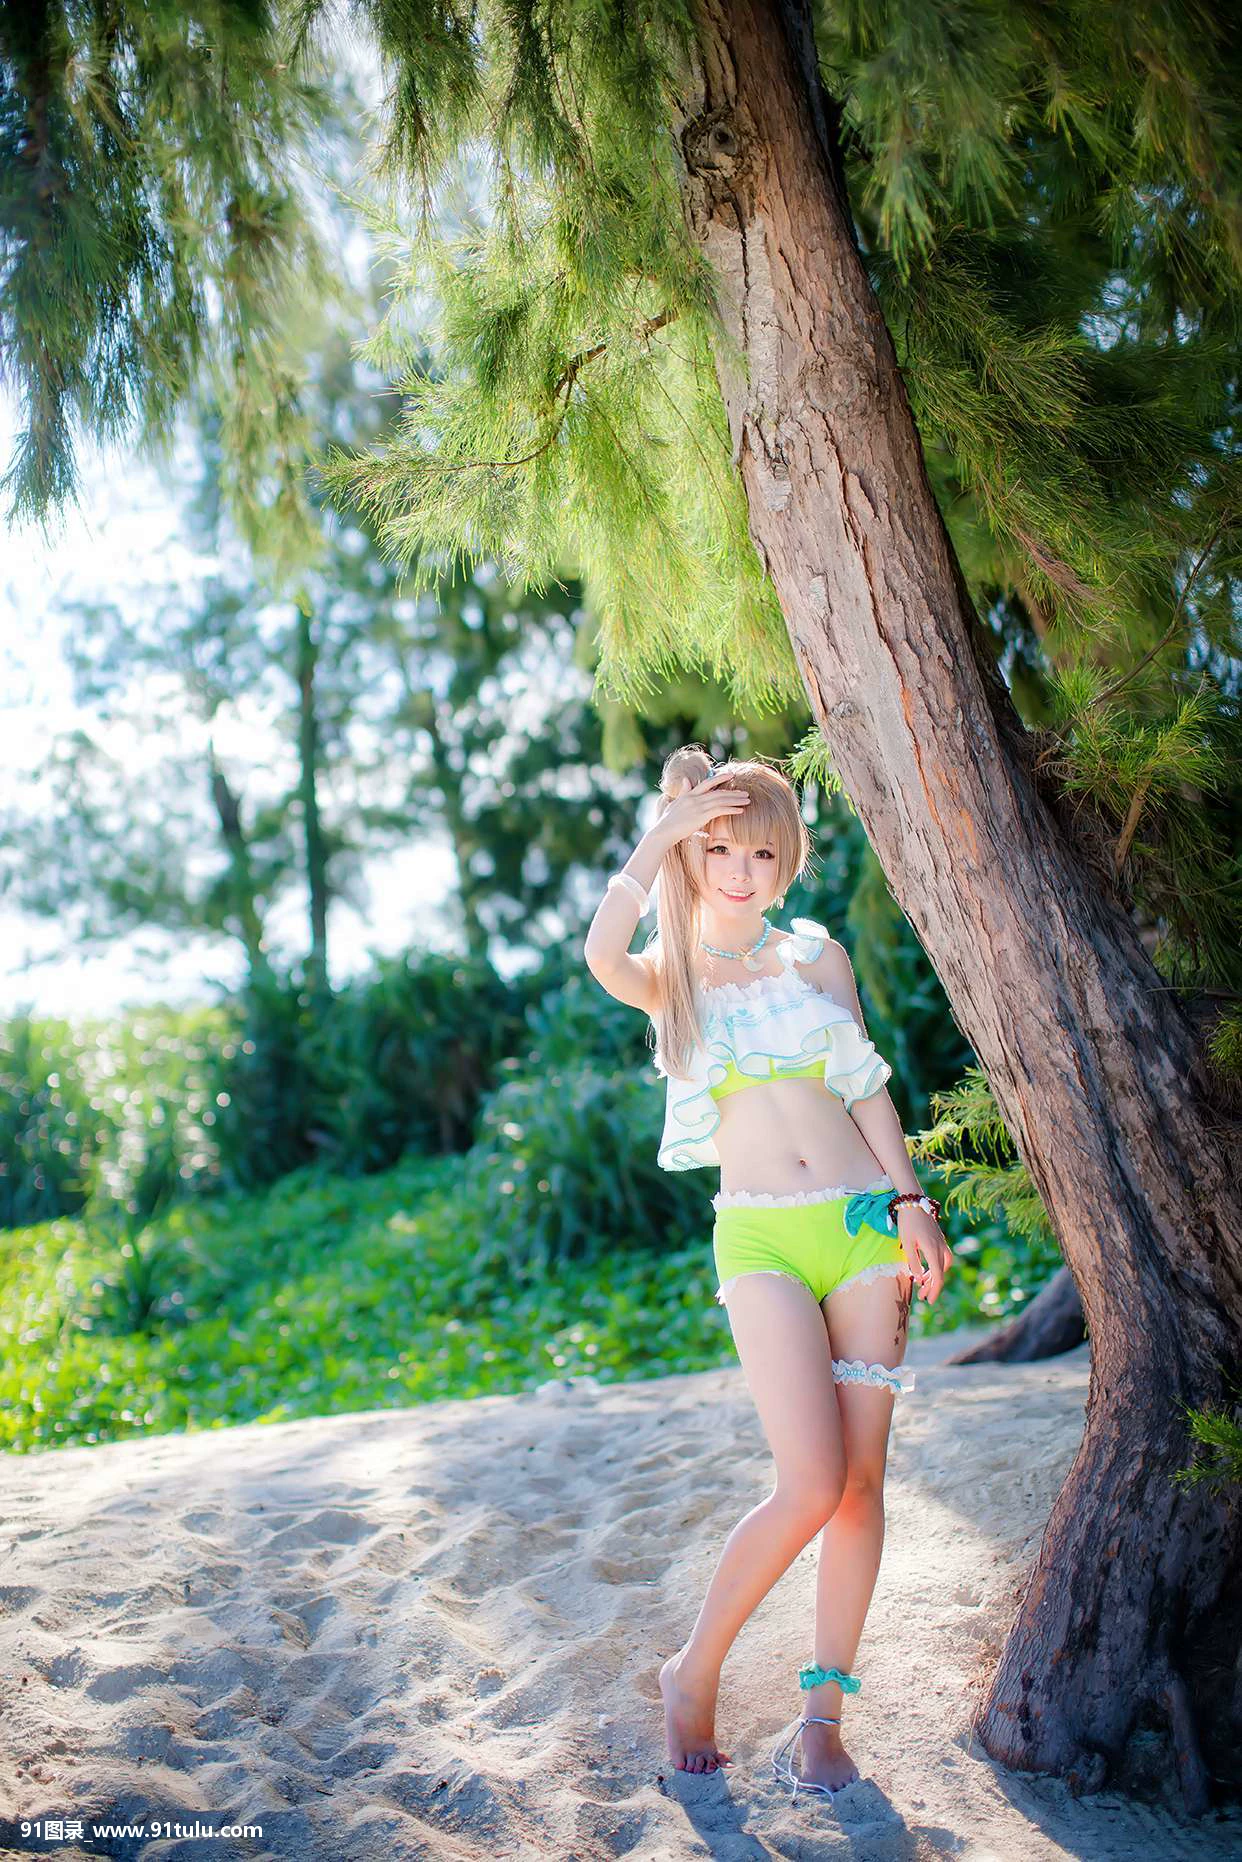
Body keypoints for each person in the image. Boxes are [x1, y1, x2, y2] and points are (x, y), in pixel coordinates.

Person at [582, 745, 954, 1803]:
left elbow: (867, 1089)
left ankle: (822, 1717)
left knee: (862, 1485)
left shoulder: (817, 961)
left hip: (862, 1227)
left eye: (760, 851)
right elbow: (600, 950)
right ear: (689, 857)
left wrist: (912, 1202)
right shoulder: (673, 975)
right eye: (718, 850)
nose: (740, 870)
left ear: (788, 860)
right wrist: (663, 833)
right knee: (811, 1482)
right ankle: (692, 1670)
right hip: (760, 1241)